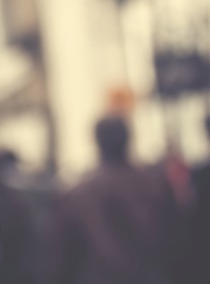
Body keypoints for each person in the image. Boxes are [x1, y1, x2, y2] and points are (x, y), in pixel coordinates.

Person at [49, 115, 173, 284]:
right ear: (129, 138)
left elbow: (61, 258)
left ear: (96, 141)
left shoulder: (79, 194)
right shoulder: (154, 183)